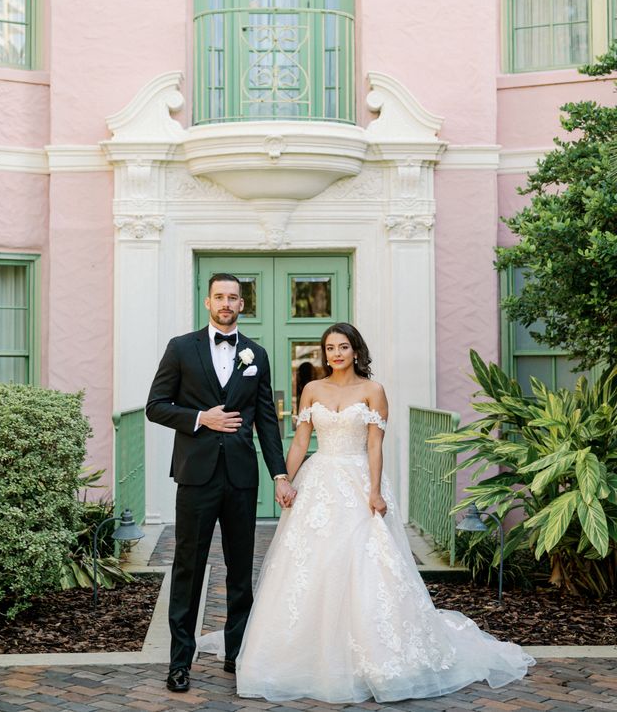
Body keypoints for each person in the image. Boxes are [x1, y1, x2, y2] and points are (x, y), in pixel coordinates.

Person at [198, 322, 534, 703]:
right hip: (319, 482)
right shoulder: (312, 389)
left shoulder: (373, 391)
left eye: (343, 347)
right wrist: (284, 480)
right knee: (312, 565)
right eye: (330, 348)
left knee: (364, 565)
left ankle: (370, 655)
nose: (336, 354)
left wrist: (374, 491)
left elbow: (375, 446)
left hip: (358, 482)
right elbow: (301, 442)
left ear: (356, 351)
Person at [146, 273, 296, 693]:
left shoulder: (256, 354)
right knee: (188, 568)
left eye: (233, 297)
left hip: (241, 478)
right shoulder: (181, 348)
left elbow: (266, 419)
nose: (226, 303)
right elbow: (155, 406)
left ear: (242, 304)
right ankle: (180, 662)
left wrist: (279, 473)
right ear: (208, 302)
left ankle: (236, 654)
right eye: (219, 297)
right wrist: (201, 418)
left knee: (240, 570)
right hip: (196, 476)